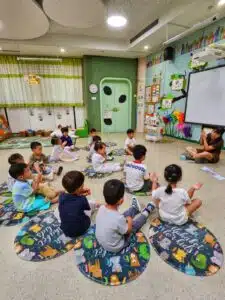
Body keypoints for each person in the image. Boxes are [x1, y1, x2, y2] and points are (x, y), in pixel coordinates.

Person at [96, 179, 155, 253]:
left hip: (105, 242)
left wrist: (125, 220)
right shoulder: (118, 218)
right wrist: (129, 220)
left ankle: (134, 208)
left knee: (122, 218)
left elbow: (116, 219)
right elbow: (128, 230)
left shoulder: (102, 208)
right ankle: (147, 211)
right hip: (117, 246)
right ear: (121, 201)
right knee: (133, 225)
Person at [59, 171, 100, 238]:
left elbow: (73, 201)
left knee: (70, 210)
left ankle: (96, 204)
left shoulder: (61, 196)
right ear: (80, 188)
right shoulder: (82, 199)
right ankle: (98, 205)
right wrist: (82, 196)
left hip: (65, 229)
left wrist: (80, 193)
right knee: (91, 204)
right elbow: (87, 208)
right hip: (81, 229)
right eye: (82, 184)